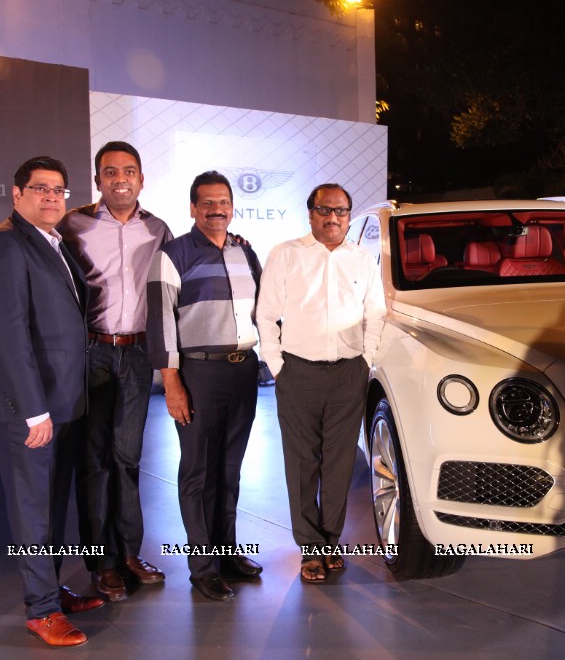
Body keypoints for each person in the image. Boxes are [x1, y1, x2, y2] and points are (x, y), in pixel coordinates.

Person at [0, 156, 103, 647]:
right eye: (41, 189)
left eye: (58, 190)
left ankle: (51, 588)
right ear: (17, 193)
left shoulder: (56, 244)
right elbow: (8, 336)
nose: (51, 198)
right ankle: (41, 609)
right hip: (25, 406)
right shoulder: (4, 246)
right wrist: (34, 410)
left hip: (62, 400)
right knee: (32, 506)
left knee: (50, 501)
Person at [58, 141, 171, 602]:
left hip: (138, 355)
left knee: (128, 459)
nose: (119, 178)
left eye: (128, 171)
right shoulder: (73, 225)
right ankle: (101, 563)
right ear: (98, 179)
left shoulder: (158, 229)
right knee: (94, 462)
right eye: (110, 172)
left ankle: (128, 554)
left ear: (141, 179)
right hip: (92, 353)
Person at [256, 183, 386, 584]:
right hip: (298, 373)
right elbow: (266, 315)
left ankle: (330, 543)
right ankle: (309, 548)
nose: (333, 218)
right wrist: (278, 367)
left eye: (341, 211)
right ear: (310, 213)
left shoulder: (363, 259)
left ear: (349, 216)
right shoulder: (286, 254)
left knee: (340, 463)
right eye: (325, 210)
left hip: (348, 373)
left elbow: (375, 313)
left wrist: (365, 360)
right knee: (301, 463)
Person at [146, 170, 264, 601]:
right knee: (198, 471)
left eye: (224, 202)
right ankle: (203, 567)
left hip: (243, 370)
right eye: (208, 203)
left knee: (229, 468)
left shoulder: (245, 252)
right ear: (193, 208)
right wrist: (172, 383)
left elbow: (263, 310)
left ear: (232, 206)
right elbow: (159, 323)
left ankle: (228, 553)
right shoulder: (173, 254)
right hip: (198, 373)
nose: (217, 209)